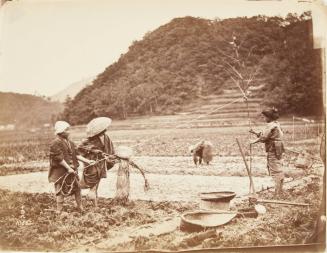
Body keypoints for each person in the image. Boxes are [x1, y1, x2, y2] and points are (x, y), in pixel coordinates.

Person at [49, 121, 94, 213]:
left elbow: (76, 155)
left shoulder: (70, 143)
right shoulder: (55, 143)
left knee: (77, 189)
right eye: (67, 130)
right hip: (60, 172)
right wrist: (68, 168)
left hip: (72, 171)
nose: (69, 132)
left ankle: (80, 208)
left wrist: (88, 161)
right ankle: (59, 211)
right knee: (60, 190)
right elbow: (59, 158)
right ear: (61, 132)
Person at [78, 117, 115, 207]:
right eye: (103, 129)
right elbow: (80, 148)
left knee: (96, 184)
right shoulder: (88, 141)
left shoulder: (106, 137)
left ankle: (94, 204)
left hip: (101, 164)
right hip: (92, 165)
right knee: (93, 185)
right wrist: (95, 152)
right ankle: (92, 203)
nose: (105, 130)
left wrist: (108, 156)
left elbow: (109, 150)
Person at [250, 108, 285, 199]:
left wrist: (254, 141)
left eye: (264, 117)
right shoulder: (276, 124)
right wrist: (255, 132)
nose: (263, 119)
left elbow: (264, 137)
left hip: (273, 149)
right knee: (278, 169)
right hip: (278, 148)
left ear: (269, 117)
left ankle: (277, 194)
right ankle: (280, 192)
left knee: (275, 170)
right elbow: (267, 135)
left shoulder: (270, 125)